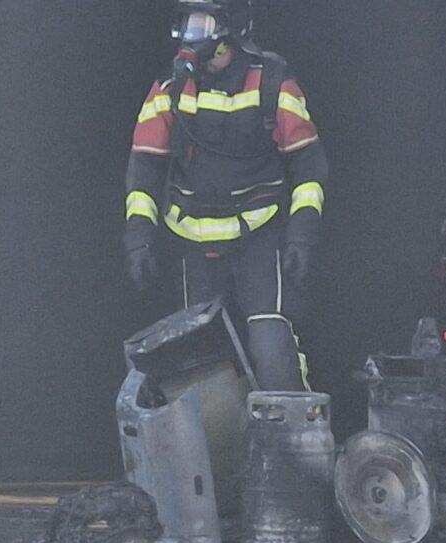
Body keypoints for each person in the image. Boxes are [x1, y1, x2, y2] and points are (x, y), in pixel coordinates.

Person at [123, 0, 327, 391]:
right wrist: (138, 242)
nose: (190, 37)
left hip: (258, 239)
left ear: (231, 30)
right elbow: (143, 173)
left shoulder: (273, 84)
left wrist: (302, 236)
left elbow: (309, 168)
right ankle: (216, 448)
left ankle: (290, 441)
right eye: (185, 23)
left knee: (271, 348)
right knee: (198, 361)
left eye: (201, 24)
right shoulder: (168, 89)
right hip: (194, 248)